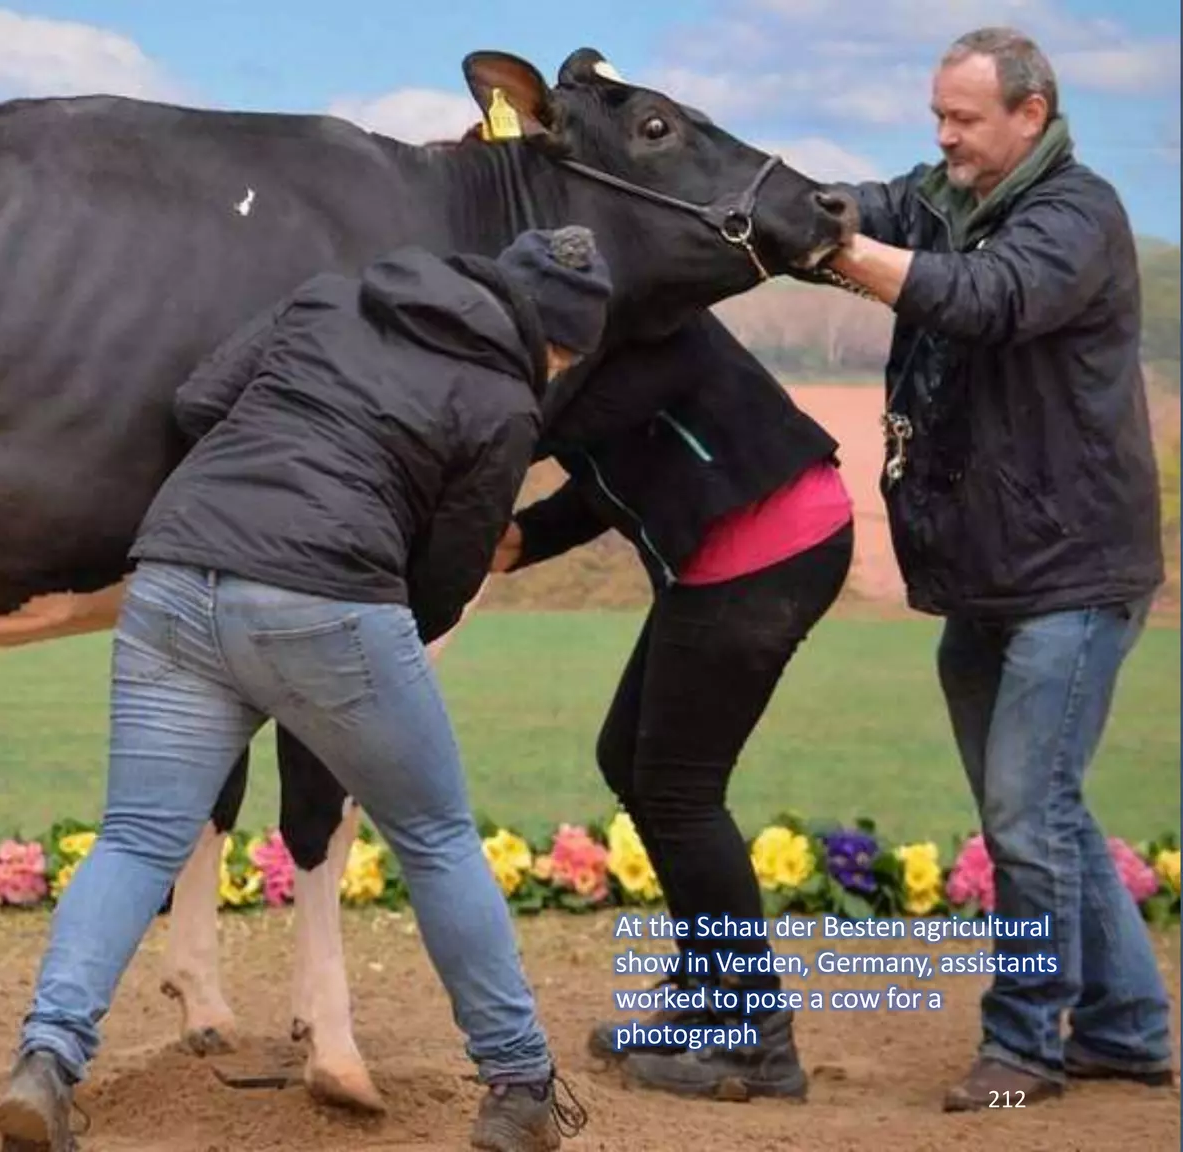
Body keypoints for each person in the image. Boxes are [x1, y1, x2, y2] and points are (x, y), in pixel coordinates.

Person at [0, 226, 613, 1152]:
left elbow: (199, 400)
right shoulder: (504, 400)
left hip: (175, 569)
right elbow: (448, 573)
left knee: (134, 838)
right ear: (556, 346)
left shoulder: (329, 298)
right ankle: (521, 1084)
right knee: (435, 835)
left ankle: (46, 1062)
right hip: (328, 600)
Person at [822, 26, 1172, 1111]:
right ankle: (1123, 1029)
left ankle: (1023, 1046)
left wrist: (844, 258)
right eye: (937, 116)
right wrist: (760, 196)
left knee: (1024, 816)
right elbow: (860, 206)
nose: (943, 137)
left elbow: (984, 300)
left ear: (1030, 115)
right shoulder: (940, 193)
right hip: (986, 575)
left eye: (962, 119)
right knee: (1043, 812)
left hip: (1070, 575)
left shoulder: (1077, 216)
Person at [491, 312, 854, 1103]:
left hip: (770, 543)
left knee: (679, 789)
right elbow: (610, 472)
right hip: (730, 550)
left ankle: (755, 1037)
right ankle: (707, 999)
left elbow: (548, 425)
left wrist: (456, 454)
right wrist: (518, 537)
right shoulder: (589, 367)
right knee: (628, 759)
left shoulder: (645, 329)